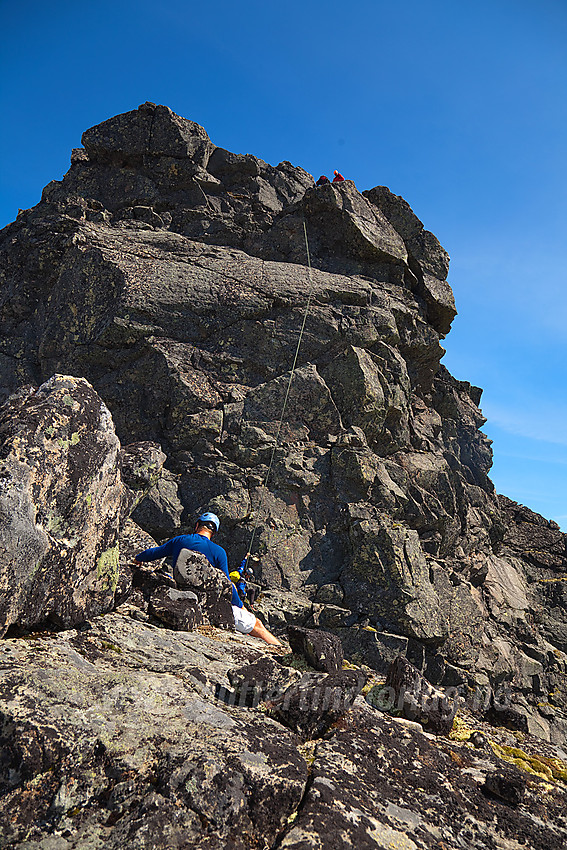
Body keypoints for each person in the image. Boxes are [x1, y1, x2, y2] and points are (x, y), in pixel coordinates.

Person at [134, 512, 281, 645]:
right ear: (214, 532)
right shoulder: (218, 551)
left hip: (181, 596)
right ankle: (282, 651)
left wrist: (138, 559)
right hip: (211, 605)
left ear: (197, 525)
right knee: (258, 625)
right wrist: (241, 606)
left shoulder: (179, 541)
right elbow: (227, 584)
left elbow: (154, 552)